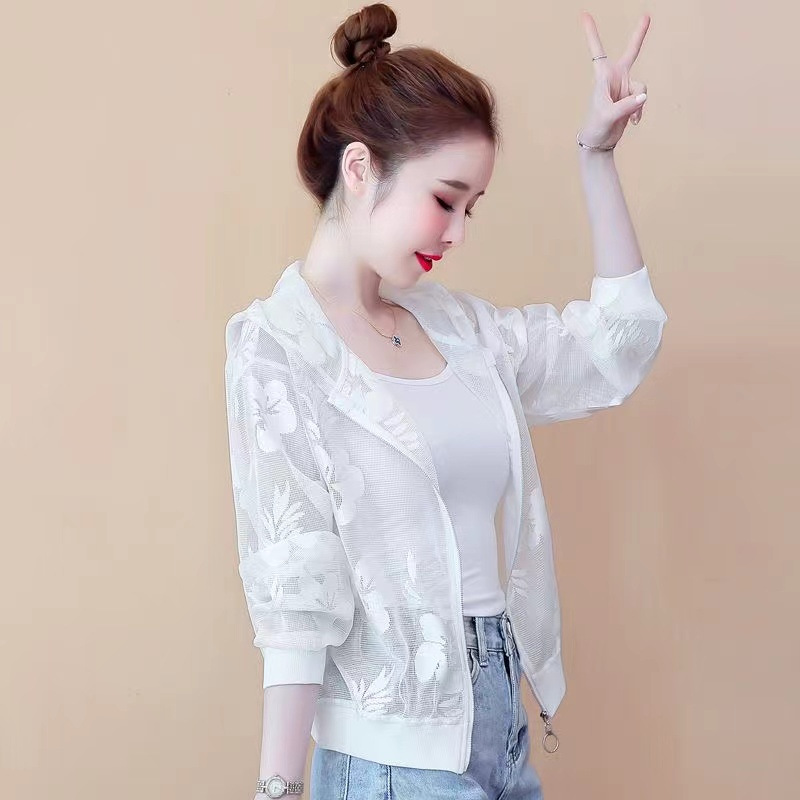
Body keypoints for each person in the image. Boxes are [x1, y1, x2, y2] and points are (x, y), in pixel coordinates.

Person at [223, 4, 665, 798]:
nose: (458, 232)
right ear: (361, 169)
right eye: (445, 198)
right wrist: (278, 789)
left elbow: (617, 347)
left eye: (472, 207)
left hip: (503, 737)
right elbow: (296, 601)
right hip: (391, 762)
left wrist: (596, 157)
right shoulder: (279, 347)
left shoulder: (462, 333)